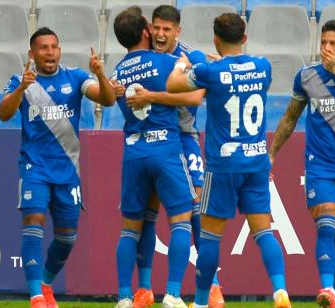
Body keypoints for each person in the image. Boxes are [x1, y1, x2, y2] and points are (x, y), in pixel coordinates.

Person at [166, 12, 292, 308]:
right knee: (264, 231)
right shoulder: (263, 67)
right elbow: (233, 68)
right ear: (244, 38)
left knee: (209, 238)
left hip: (223, 165)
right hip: (256, 161)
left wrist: (182, 63)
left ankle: (199, 302)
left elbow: (174, 85)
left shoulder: (210, 73)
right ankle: (280, 291)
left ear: (216, 39)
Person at [0, 27, 115, 308]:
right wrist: (22, 89)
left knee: (67, 237)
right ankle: (36, 295)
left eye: (54, 47)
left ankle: (46, 285)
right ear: (32, 53)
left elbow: (108, 100)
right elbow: (3, 114)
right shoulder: (21, 81)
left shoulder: (74, 77)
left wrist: (100, 73)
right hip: (34, 168)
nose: (50, 53)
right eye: (43, 48)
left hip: (67, 172)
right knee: (33, 221)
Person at [269, 19, 335, 308]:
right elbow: (290, 117)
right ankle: (326, 288)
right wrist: (272, 154)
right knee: (325, 223)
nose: (326, 48)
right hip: (319, 164)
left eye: (333, 44)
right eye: (323, 42)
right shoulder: (306, 76)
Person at [127, 5, 224, 308]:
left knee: (195, 210)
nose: (160, 34)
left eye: (167, 29)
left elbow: (204, 86)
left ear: (177, 31)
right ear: (149, 28)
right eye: (156, 27)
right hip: (149, 142)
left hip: (184, 138)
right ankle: (144, 290)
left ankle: (211, 285)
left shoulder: (191, 57)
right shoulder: (144, 59)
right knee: (145, 214)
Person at [111, 6, 204, 308]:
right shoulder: (168, 62)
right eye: (155, 29)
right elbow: (194, 97)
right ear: (145, 31)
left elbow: (107, 95)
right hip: (166, 148)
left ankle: (125, 296)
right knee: (181, 221)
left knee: (130, 228)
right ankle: (173, 295)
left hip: (133, 152)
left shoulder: (118, 72)